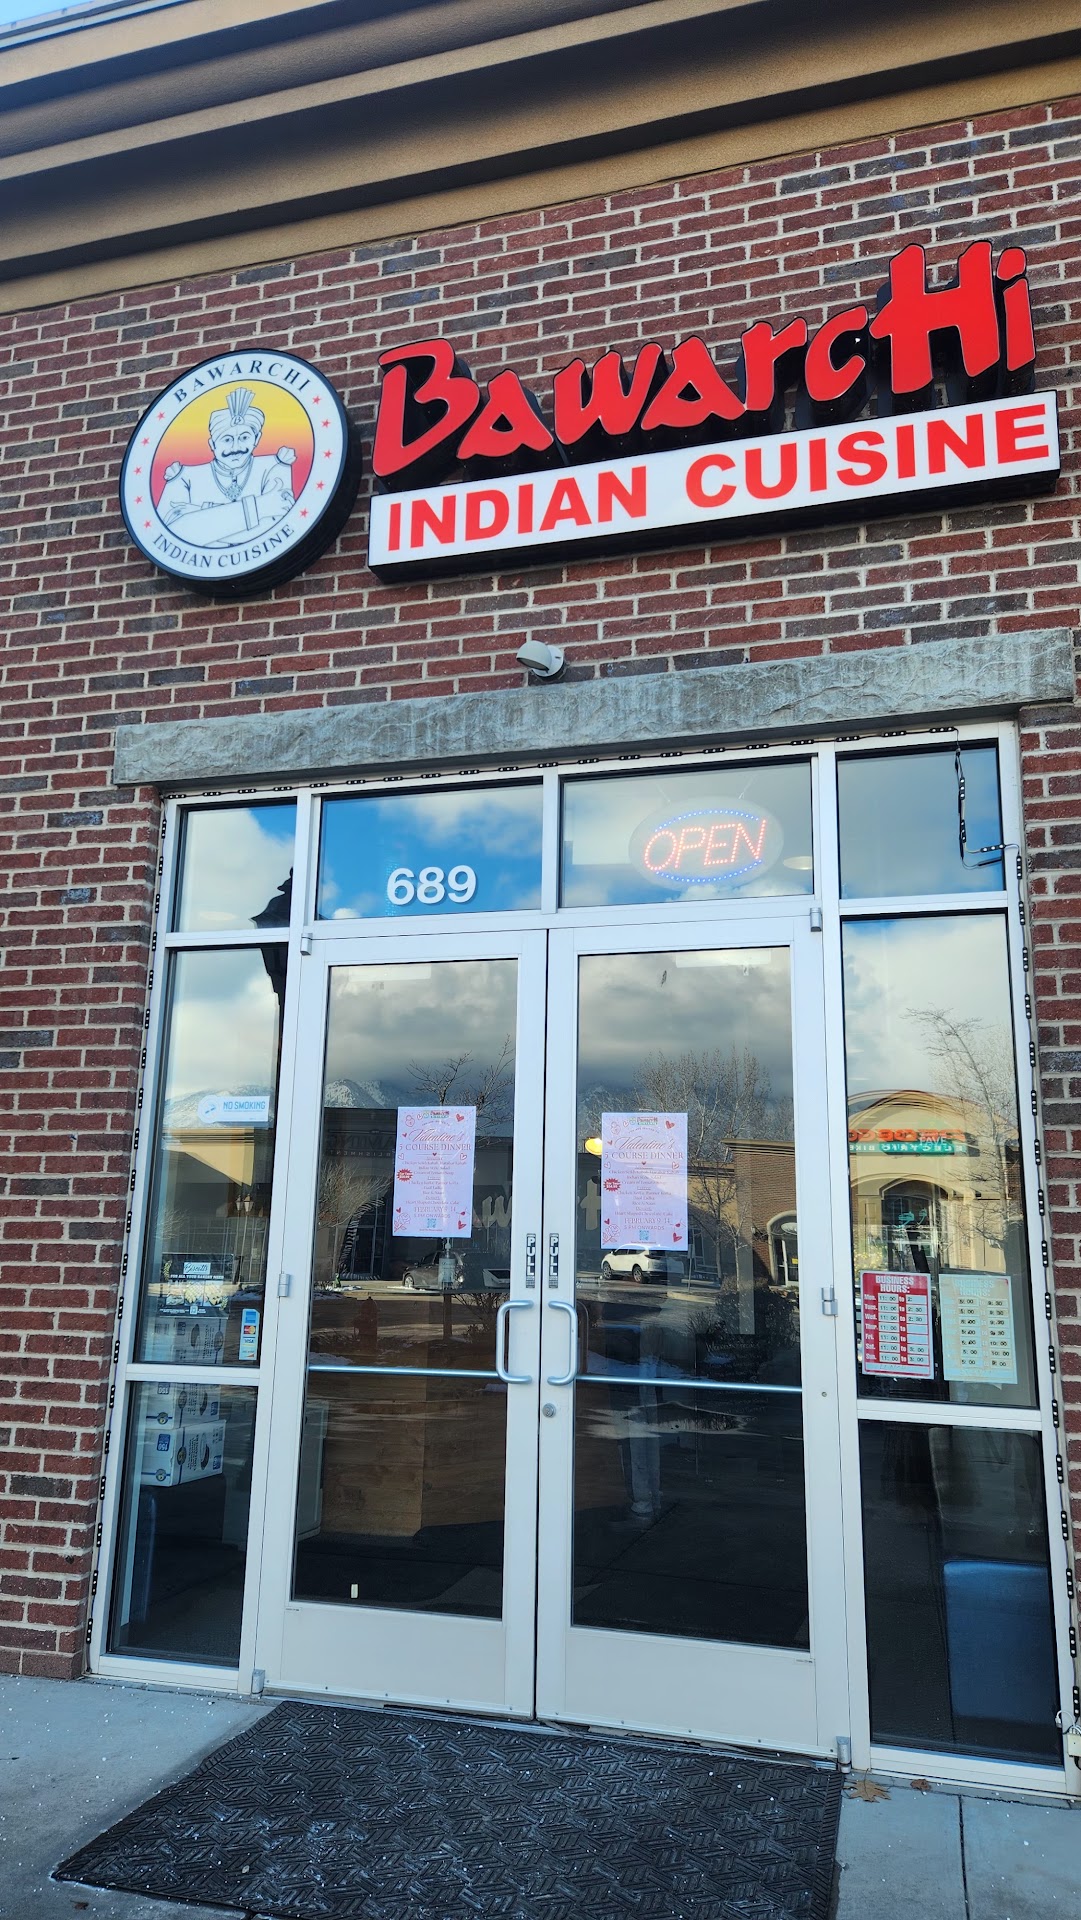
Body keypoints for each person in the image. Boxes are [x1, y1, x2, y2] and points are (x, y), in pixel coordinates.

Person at [156, 386, 296, 545]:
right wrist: (261, 507)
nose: (236, 447)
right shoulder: (183, 477)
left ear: (257, 439)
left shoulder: (274, 466)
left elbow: (275, 526)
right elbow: (173, 533)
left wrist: (199, 512)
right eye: (227, 439)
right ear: (212, 444)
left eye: (244, 437)